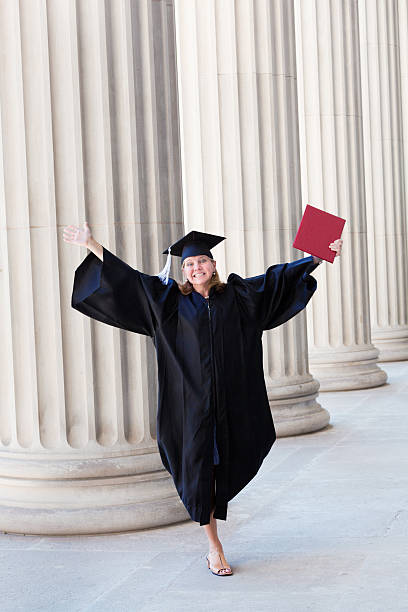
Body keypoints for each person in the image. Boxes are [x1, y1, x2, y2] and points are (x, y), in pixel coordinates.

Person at [64, 222, 343, 576]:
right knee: (202, 477)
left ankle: (215, 537)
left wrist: (316, 257)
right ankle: (214, 546)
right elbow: (131, 281)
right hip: (191, 409)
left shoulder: (237, 296)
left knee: (223, 468)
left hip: (231, 404)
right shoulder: (169, 303)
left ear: (213, 265)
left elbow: (275, 282)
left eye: (201, 262)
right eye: (189, 265)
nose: (195, 269)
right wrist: (92, 243)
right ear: (183, 271)